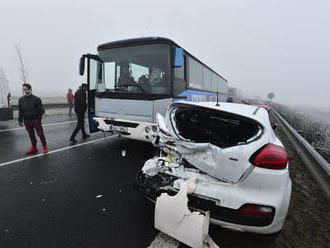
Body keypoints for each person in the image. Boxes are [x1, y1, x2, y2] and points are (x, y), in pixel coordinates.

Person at [18, 83, 49, 154]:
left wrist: (38, 119)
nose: (24, 91)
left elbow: (41, 111)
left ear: (30, 89)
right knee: (31, 135)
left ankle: (45, 147)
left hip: (35, 120)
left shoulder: (36, 99)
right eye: (23, 89)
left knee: (40, 134)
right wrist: (20, 120)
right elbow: (20, 111)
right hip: (27, 121)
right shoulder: (21, 100)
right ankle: (34, 148)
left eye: (26, 89)